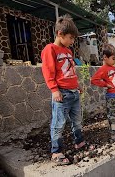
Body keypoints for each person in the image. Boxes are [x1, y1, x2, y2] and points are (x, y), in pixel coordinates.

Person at [41, 14, 93, 165]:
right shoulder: (50, 49)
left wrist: (77, 85)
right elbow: (48, 71)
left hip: (74, 93)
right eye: (71, 38)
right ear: (60, 34)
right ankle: (56, 152)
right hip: (61, 94)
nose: (72, 41)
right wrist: (54, 90)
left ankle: (80, 142)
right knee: (59, 123)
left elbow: (70, 71)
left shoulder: (69, 52)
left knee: (77, 120)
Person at [91, 44, 115, 142]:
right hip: (112, 96)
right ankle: (114, 135)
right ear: (105, 58)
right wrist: (106, 85)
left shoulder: (113, 67)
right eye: (113, 58)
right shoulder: (103, 69)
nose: (114, 60)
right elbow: (94, 80)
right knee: (113, 116)